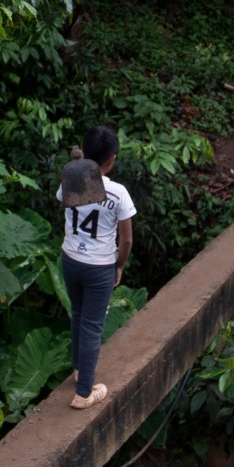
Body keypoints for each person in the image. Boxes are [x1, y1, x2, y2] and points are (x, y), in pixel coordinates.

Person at [55, 125, 135, 411]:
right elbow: (126, 238)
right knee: (92, 326)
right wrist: (120, 265)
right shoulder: (118, 193)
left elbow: (63, 199)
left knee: (78, 314)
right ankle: (84, 393)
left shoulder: (71, 178)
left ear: (84, 153)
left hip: (70, 259)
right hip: (99, 266)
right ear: (112, 158)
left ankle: (79, 370)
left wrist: (78, 164)